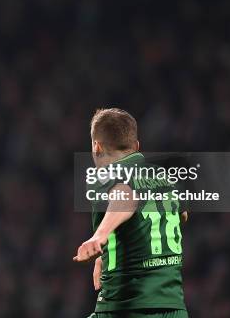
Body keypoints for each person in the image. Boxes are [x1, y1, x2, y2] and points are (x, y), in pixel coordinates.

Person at [73, 108, 188, 318]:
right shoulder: (166, 179)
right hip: (174, 309)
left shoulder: (105, 176)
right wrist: (107, 253)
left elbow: (125, 196)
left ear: (97, 147)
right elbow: (180, 215)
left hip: (126, 305)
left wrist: (100, 236)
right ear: (136, 147)